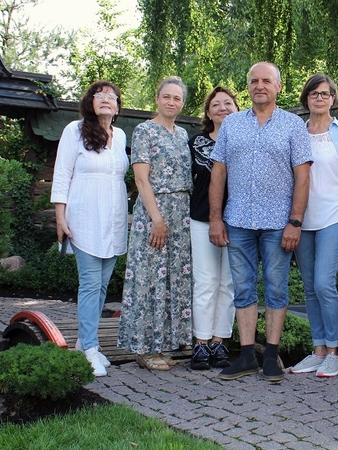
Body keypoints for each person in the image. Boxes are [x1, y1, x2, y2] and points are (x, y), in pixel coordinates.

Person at [209, 62, 312, 382]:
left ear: (278, 86)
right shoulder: (232, 124)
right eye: (254, 80)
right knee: (243, 290)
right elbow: (218, 174)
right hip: (238, 220)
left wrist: (295, 222)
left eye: (266, 80)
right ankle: (246, 356)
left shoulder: (294, 125)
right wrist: (215, 219)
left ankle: (270, 355)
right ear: (248, 86)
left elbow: (303, 176)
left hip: (278, 223)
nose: (260, 85)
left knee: (276, 290)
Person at [51, 81, 128, 377]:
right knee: (90, 284)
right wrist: (60, 216)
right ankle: (90, 349)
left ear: (117, 106)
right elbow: (61, 174)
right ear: (90, 102)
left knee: (103, 286)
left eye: (111, 96)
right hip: (84, 218)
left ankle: (84, 341)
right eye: (100, 95)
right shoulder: (75, 130)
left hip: (113, 220)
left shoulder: (120, 136)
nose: (106, 99)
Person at [117, 76, 193, 371]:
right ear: (157, 99)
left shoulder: (182, 134)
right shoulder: (144, 131)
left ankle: (162, 343)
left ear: (182, 103)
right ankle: (144, 348)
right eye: (167, 97)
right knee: (149, 279)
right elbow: (141, 179)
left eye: (177, 98)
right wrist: (157, 219)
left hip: (181, 213)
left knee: (172, 279)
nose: (172, 102)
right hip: (155, 211)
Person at [289, 74, 338, 377]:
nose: (320, 98)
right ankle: (318, 350)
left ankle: (335, 352)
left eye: (325, 93)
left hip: (336, 213)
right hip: (302, 218)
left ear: (333, 98)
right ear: (306, 98)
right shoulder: (296, 132)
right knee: (309, 287)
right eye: (314, 93)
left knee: (323, 283)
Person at [187, 87, 239, 370]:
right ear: (208, 112)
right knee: (205, 281)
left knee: (228, 283)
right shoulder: (196, 143)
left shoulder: (245, 140)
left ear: (237, 108)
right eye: (216, 104)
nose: (222, 108)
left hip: (238, 221)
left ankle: (220, 341)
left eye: (228, 103)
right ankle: (201, 343)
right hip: (201, 218)